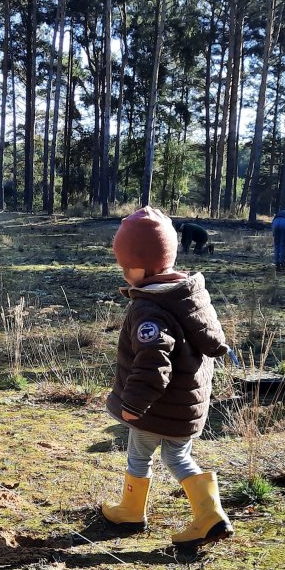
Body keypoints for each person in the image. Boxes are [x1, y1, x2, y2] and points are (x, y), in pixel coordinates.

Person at [100, 206, 234, 551]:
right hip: (186, 406)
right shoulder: (189, 296)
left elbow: (153, 362)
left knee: (139, 455)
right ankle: (209, 513)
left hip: (156, 409)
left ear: (141, 266)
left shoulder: (150, 309)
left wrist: (133, 404)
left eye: (124, 266)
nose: (123, 272)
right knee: (177, 456)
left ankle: (132, 511)